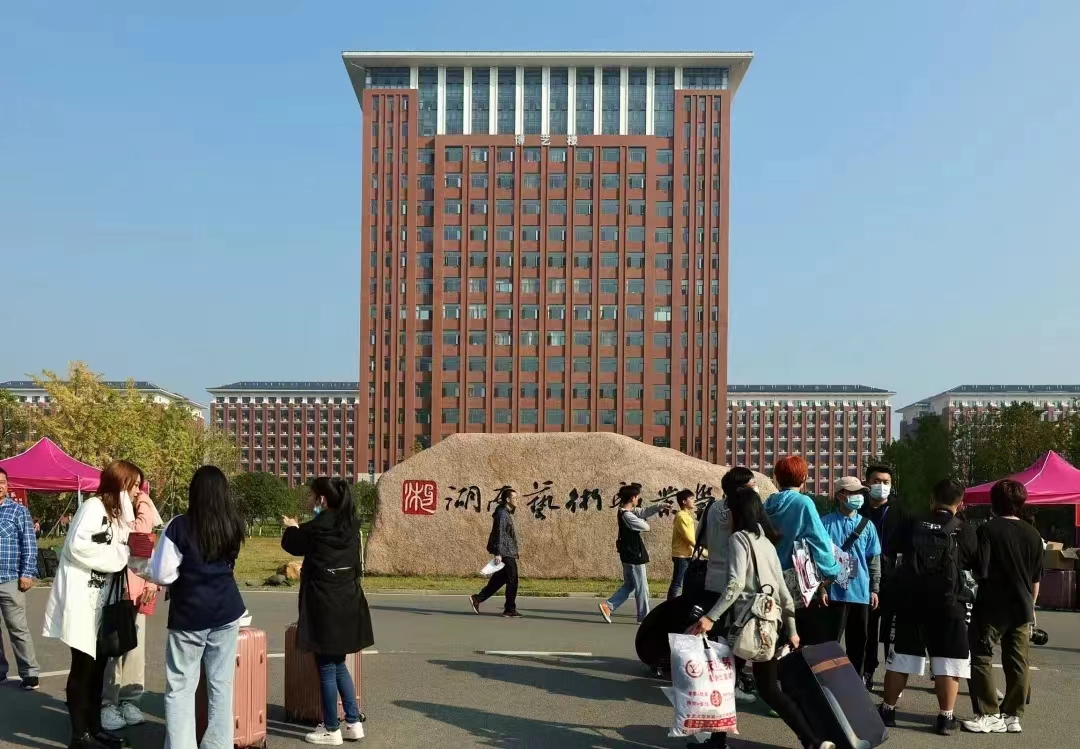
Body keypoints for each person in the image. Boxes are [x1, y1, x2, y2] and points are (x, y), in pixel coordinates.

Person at [687, 487, 836, 749]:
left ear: (738, 512)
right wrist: (792, 630)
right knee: (768, 688)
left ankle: (718, 742)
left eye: (729, 510)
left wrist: (710, 617)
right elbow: (783, 592)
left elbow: (734, 585)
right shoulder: (767, 543)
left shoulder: (738, 539)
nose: (727, 515)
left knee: (724, 681)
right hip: (768, 624)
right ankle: (812, 742)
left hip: (742, 623)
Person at [149, 465, 247, 749]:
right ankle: (218, 744)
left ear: (194, 492)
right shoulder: (233, 524)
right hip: (227, 610)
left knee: (181, 687)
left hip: (190, 614)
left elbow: (163, 574)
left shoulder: (179, 526)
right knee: (221, 684)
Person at [42, 460, 137, 749]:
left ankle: (95, 728)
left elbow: (123, 549)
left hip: (102, 602)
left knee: (98, 669)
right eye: (133, 486)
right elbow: (78, 546)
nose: (136, 492)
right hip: (83, 600)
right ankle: (79, 735)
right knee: (83, 668)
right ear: (120, 484)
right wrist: (121, 555)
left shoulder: (115, 514)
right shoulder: (93, 508)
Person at [879, 478, 978, 736]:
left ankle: (888, 710)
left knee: (902, 658)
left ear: (932, 499)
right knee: (948, 662)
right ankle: (945, 718)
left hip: (910, 602)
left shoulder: (912, 523)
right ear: (960, 503)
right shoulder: (964, 530)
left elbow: (890, 550)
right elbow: (972, 564)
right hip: (949, 604)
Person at [282, 477, 373, 746]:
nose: (308, 500)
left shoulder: (316, 528)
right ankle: (353, 723)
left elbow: (292, 543)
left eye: (311, 496)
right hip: (349, 602)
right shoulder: (351, 525)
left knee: (326, 667)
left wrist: (292, 527)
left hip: (324, 605)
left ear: (322, 499)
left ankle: (332, 728)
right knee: (338, 663)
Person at [962, 479, 1044, 735]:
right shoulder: (1033, 534)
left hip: (992, 604)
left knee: (981, 656)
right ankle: (1013, 715)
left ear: (994, 502)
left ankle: (989, 714)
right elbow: (1036, 578)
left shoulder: (987, 530)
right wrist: (1032, 607)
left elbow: (981, 569)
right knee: (1018, 661)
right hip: (1022, 605)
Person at [101, 473, 162, 732]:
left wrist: (151, 583)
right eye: (134, 485)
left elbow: (149, 548)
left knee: (135, 651)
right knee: (112, 650)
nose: (139, 491)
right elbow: (139, 530)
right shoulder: (106, 513)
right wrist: (145, 502)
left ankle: (130, 699)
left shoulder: (138, 509)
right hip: (113, 592)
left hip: (138, 589)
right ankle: (107, 703)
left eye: (141, 485)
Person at [763, 456, 841, 645]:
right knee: (801, 640)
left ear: (777, 477)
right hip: (797, 581)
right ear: (804, 477)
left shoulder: (768, 503)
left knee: (774, 637)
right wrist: (832, 570)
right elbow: (819, 540)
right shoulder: (803, 503)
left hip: (769, 577)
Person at [699, 466, 757, 703]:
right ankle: (728, 686)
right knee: (732, 638)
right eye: (752, 484)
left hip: (712, 577)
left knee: (719, 637)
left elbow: (701, 539)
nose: (756, 488)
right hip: (735, 582)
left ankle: (719, 683)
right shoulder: (742, 509)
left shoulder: (712, 507)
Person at [820, 476, 881, 681]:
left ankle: (855, 681)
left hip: (860, 592)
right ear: (840, 496)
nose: (858, 496)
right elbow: (816, 558)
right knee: (830, 643)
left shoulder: (867, 525)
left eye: (860, 492)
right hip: (833, 592)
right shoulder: (824, 523)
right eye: (853, 492)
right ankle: (828, 682)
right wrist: (820, 587)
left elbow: (873, 559)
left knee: (858, 643)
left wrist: (874, 588)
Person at [859, 464, 908, 691]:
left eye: (886, 482)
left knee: (891, 633)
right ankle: (866, 671)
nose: (881, 486)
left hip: (892, 580)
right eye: (877, 481)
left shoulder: (900, 511)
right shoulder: (859, 509)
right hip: (863, 578)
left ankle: (892, 679)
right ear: (867, 483)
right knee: (866, 630)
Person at [0, 466, 41, 691]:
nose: (0, 486)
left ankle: (29, 672)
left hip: (10, 579)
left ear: (8, 486)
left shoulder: (18, 511)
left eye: (2, 482)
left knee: (17, 628)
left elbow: (29, 544)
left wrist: (27, 573)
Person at [599, 483, 664, 624]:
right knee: (642, 587)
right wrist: (643, 520)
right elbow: (646, 527)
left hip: (627, 554)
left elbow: (643, 511)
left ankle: (608, 606)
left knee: (629, 585)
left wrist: (659, 506)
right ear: (632, 497)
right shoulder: (628, 515)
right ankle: (644, 617)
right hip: (634, 555)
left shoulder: (624, 511)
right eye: (637, 497)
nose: (638, 499)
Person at [470, 487, 522, 618]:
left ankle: (478, 598)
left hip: (507, 550)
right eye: (515, 498)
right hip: (505, 552)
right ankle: (509, 609)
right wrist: (498, 553)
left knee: (499, 579)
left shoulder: (505, 512)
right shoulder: (502, 514)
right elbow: (499, 533)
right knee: (513, 579)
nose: (517, 500)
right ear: (508, 499)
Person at [667, 489, 697, 600]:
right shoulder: (682, 516)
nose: (694, 500)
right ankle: (670, 607)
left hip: (687, 554)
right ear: (684, 501)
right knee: (677, 583)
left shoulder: (686, 516)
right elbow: (688, 537)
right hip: (681, 556)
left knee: (686, 583)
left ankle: (681, 605)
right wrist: (702, 551)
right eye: (691, 499)